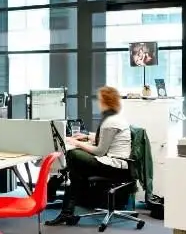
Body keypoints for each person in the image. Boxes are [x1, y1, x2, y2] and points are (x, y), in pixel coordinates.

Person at [46, 85, 132, 226]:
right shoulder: (115, 118)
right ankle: (66, 209)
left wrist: (77, 143)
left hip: (115, 166)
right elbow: (104, 139)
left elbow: (99, 151)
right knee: (75, 171)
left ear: (105, 101)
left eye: (99, 100)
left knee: (73, 154)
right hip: (114, 163)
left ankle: (58, 193)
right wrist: (86, 136)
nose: (98, 103)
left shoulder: (110, 122)